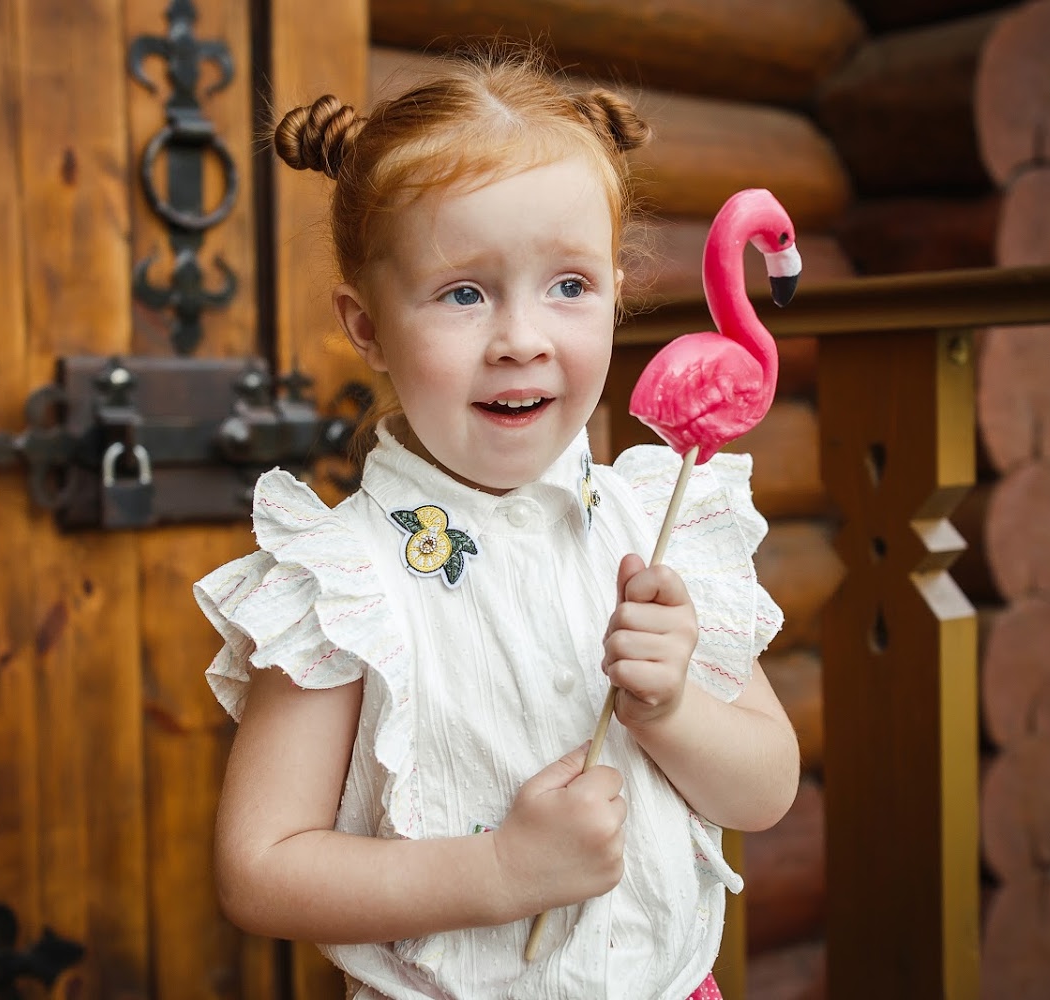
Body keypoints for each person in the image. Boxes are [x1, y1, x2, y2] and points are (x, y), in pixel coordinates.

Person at [193, 48, 800, 1000]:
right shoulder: (344, 580)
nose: (523, 337)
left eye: (569, 286)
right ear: (367, 327)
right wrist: (502, 873)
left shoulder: (659, 524)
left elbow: (764, 790)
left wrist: (674, 707)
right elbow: (259, 871)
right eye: (464, 293)